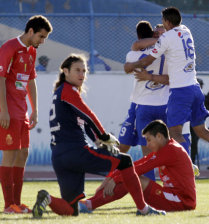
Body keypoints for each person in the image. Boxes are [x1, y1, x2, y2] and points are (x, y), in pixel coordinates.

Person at [32, 54, 166, 218]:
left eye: (84, 71)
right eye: (77, 70)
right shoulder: (68, 90)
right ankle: (144, 209)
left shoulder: (60, 92)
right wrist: (103, 136)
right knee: (125, 161)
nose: (82, 74)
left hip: (59, 157)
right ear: (65, 71)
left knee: (70, 210)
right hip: (75, 152)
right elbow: (88, 115)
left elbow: (83, 122)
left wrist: (98, 141)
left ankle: (47, 198)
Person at [124, 7, 209, 166]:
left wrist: (132, 65)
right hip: (195, 87)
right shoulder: (186, 30)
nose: (160, 28)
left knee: (174, 132)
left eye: (162, 23)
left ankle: (186, 167)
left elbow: (147, 60)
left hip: (181, 91)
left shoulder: (166, 38)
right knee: (202, 131)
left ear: (167, 22)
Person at [79, 120, 196, 213]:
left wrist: (115, 178)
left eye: (149, 140)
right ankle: (89, 203)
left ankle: (89, 204)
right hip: (171, 196)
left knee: (133, 178)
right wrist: (111, 176)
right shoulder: (167, 148)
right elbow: (137, 164)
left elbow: (141, 168)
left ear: (159, 136)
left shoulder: (171, 150)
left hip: (182, 201)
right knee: (130, 175)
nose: (147, 145)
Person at [0, 15, 52, 214]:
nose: (42, 41)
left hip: (22, 112)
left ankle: (17, 203)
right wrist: (3, 110)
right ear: (31, 31)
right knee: (10, 155)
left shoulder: (31, 52)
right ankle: (7, 205)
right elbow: (1, 79)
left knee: (23, 154)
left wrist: (35, 109)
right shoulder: (9, 48)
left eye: (45, 37)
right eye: (41, 36)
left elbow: (30, 81)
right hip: (9, 112)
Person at [118, 21, 169, 181]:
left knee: (147, 151)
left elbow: (127, 67)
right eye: (157, 34)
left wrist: (148, 74)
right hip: (161, 105)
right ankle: (169, 186)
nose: (159, 36)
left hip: (144, 105)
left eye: (161, 33)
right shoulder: (171, 53)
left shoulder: (136, 53)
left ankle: (149, 190)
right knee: (165, 148)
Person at [190, 78, 204, 167]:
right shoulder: (188, 95)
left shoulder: (202, 96)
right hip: (186, 123)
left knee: (194, 143)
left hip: (196, 123)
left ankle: (193, 161)